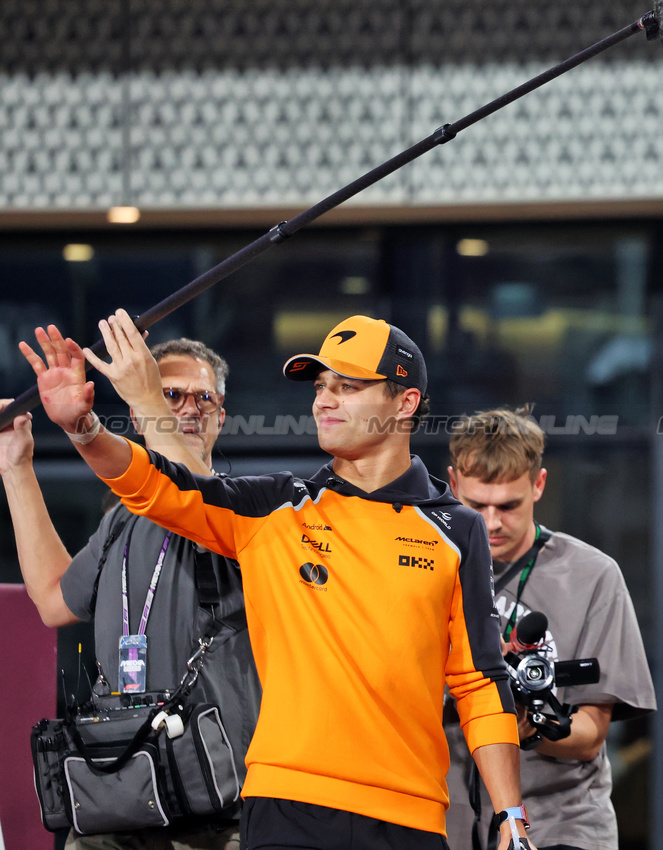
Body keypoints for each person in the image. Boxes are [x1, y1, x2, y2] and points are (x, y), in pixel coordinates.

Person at [20, 314, 534, 850]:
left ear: (404, 402)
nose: (324, 401)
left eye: (348, 387)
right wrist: (84, 428)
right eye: (321, 387)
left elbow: (479, 682)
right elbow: (158, 486)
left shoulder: (457, 530)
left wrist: (511, 816)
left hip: (410, 815)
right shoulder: (275, 508)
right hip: (284, 806)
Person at [0, 311, 259, 850]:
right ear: (140, 415)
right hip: (120, 788)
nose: (188, 408)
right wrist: (16, 467)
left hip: (215, 809)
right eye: (170, 396)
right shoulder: (122, 519)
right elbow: (52, 600)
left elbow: (193, 498)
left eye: (203, 399)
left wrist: (92, 423)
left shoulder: (249, 512)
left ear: (221, 417)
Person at [443, 407, 656, 850]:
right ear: (453, 484)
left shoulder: (592, 576)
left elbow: (590, 736)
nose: (491, 523)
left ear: (538, 485)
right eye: (476, 505)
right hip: (447, 821)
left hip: (559, 822)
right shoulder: (425, 568)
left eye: (508, 506)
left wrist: (526, 727)